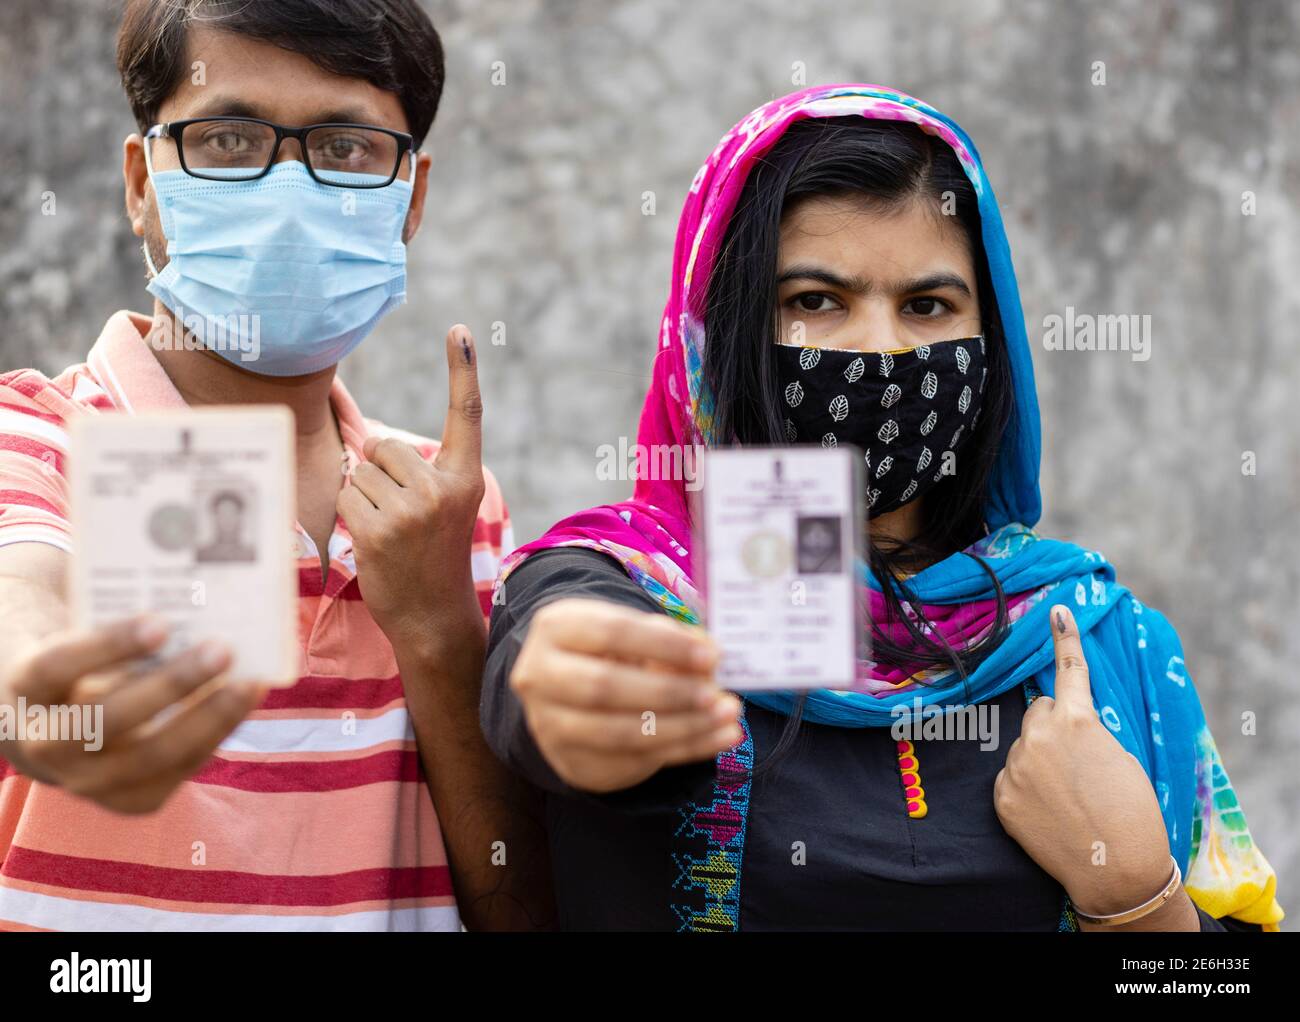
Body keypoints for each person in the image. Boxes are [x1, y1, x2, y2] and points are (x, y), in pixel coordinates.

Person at [480, 84, 1284, 931]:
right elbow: (551, 672)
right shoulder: (624, 589)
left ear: (992, 335)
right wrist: (577, 686)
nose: (881, 348)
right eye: (817, 302)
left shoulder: (1096, 641)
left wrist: (1134, 895)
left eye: (927, 306)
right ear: (722, 331)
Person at [0, 0, 551, 931]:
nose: (287, 191)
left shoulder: (451, 503)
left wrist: (436, 629)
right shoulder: (38, 438)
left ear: (410, 198)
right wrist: (54, 702)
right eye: (226, 140)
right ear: (142, 184)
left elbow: (520, 903)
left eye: (345, 147)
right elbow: (26, 602)